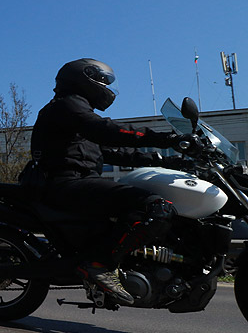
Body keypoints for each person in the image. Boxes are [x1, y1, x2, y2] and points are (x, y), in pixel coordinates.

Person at [30, 58, 196, 305]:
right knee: (156, 208)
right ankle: (100, 264)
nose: (106, 87)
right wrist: (166, 139)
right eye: (103, 81)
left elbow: (112, 153)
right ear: (85, 79)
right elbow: (107, 131)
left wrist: (166, 161)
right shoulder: (68, 106)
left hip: (77, 182)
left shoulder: (76, 113)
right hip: (64, 184)